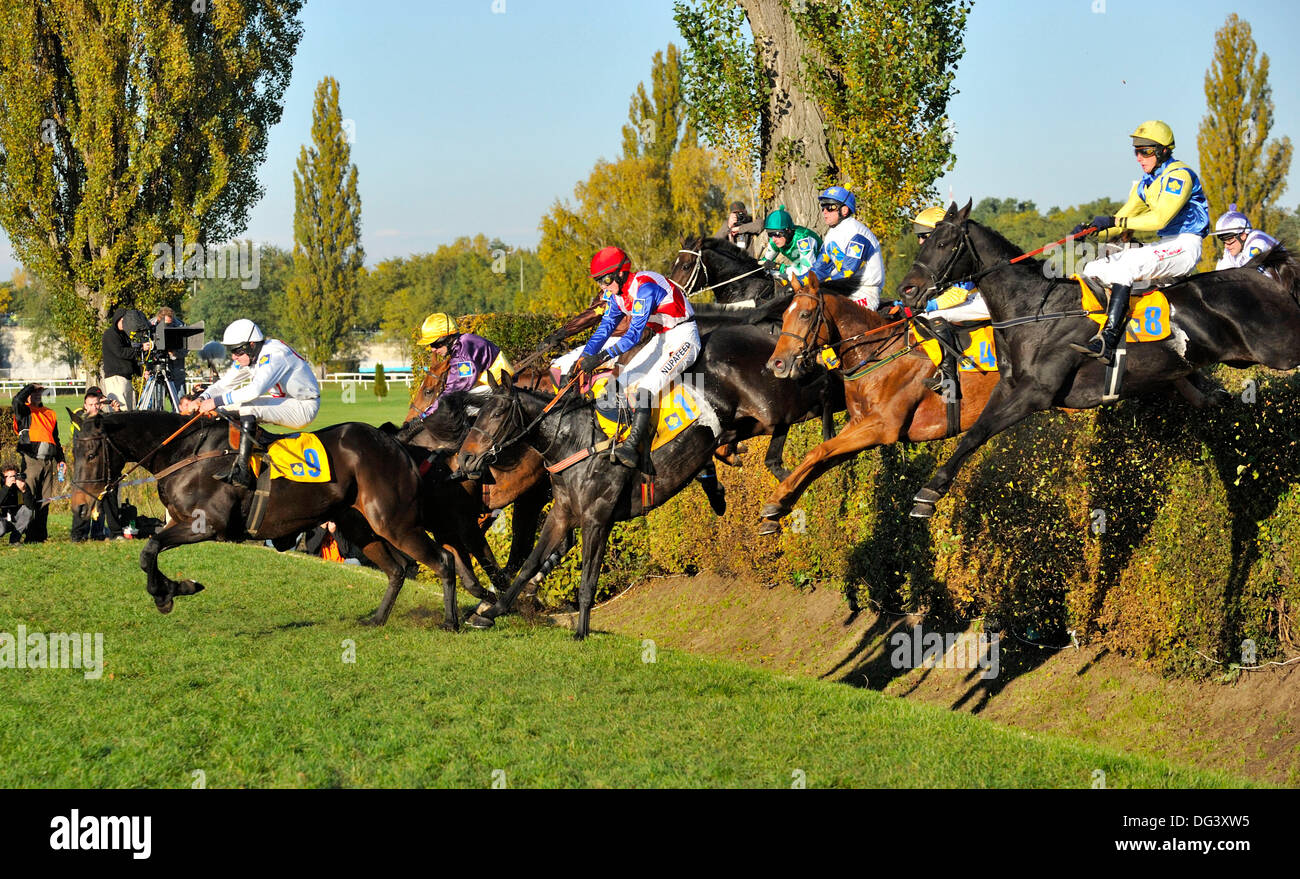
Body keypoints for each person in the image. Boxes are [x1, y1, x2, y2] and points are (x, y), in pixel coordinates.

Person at [1070, 121, 1209, 364]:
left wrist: (1114, 220)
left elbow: (1159, 218)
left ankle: (1109, 339)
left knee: (1125, 268)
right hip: (1165, 244)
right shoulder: (1145, 184)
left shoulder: (1179, 176)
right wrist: (1091, 231)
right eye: (1136, 151)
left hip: (1185, 245)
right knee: (1092, 268)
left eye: (1145, 151)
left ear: (1163, 151)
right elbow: (1120, 222)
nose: (1139, 157)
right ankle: (1101, 329)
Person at [574, 245, 700, 468]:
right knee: (616, 385)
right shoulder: (617, 294)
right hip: (662, 338)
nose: (603, 287)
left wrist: (601, 357)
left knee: (646, 389)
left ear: (621, 273)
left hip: (684, 337)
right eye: (599, 282)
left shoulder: (644, 289)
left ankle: (632, 447)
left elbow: (632, 335)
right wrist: (582, 360)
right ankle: (616, 438)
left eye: (605, 280)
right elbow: (604, 329)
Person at [179, 319, 321, 489]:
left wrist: (214, 401)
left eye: (237, 351)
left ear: (252, 345)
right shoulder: (251, 356)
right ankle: (228, 457)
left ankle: (243, 472)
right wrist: (202, 399)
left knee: (247, 407)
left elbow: (254, 390)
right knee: (222, 408)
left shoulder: (274, 355)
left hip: (303, 406)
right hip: (282, 401)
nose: (234, 357)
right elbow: (225, 384)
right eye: (232, 351)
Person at [911, 206, 992, 394]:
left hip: (984, 300)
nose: (920, 241)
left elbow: (959, 294)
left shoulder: (956, 252)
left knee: (935, 313)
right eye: (919, 235)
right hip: (970, 299)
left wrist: (929, 305)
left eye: (924, 235)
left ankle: (948, 379)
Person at [416, 313, 513, 415]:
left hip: (499, 386)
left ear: (447, 338)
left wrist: (427, 413)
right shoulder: (462, 342)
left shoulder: (462, 354)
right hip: (492, 383)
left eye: (435, 344)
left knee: (454, 409)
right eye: (431, 345)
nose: (433, 349)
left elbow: (456, 388)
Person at [807, 185, 885, 309]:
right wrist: (795, 283)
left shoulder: (856, 234)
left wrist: (821, 285)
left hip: (864, 293)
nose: (824, 211)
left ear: (844, 210)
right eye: (822, 207)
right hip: (843, 291)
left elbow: (847, 273)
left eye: (830, 207)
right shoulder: (831, 234)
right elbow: (820, 269)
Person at [11, 383, 63, 543]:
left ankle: (39, 536)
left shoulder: (50, 413)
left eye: (39, 392)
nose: (36, 395)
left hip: (48, 462)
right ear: (28, 395)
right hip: (31, 460)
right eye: (33, 393)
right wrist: (30, 386)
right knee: (28, 500)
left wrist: (61, 460)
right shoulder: (24, 411)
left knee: (44, 501)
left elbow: (56, 439)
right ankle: (22, 534)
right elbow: (16, 400)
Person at [69, 388, 120, 541]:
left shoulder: (104, 419)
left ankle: (113, 533)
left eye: (97, 404)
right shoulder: (81, 420)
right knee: (83, 500)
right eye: (91, 404)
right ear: (85, 406)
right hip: (87, 468)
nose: (94, 407)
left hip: (105, 467)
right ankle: (78, 535)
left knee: (109, 500)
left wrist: (116, 413)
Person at [102, 307, 151, 409]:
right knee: (119, 410)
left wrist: (142, 372)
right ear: (118, 320)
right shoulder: (110, 334)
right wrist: (140, 347)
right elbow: (121, 352)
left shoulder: (125, 336)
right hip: (116, 378)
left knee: (127, 410)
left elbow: (131, 359)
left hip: (126, 378)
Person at [758, 205, 822, 279]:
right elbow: (765, 262)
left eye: (776, 234)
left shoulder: (803, 239)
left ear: (788, 231)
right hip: (801, 271)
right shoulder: (775, 241)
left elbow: (807, 271)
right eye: (770, 234)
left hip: (820, 272)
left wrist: (780, 267)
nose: (774, 239)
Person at [1213, 205, 1279, 271]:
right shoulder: (1232, 247)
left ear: (1243, 236)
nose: (1226, 246)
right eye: (1224, 241)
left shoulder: (1257, 241)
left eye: (1230, 240)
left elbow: (1249, 274)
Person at [152, 307, 189, 405]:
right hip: (158, 367)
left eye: (170, 323)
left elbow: (186, 350)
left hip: (176, 370)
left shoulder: (181, 326)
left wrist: (174, 352)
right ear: (159, 319)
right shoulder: (151, 325)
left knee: (179, 402)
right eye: (165, 324)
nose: (168, 326)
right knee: (157, 402)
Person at [0, 464, 37, 544]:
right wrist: (6, 487)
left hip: (16, 518)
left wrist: (24, 490)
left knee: (28, 511)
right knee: (1, 529)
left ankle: (14, 540)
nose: (13, 479)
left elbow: (31, 506)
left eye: (14, 476)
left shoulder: (21, 484)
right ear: (3, 478)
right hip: (2, 519)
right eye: (9, 477)